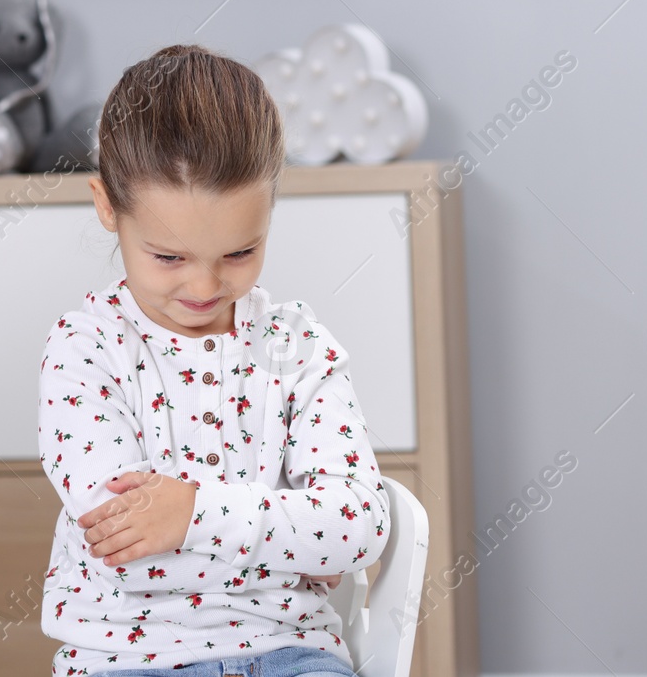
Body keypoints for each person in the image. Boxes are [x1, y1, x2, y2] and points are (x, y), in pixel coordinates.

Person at [38, 44, 390, 677]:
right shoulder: (85, 347)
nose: (203, 287)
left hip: (293, 655)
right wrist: (291, 537)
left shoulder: (297, 345)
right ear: (106, 206)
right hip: (123, 660)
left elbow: (357, 526)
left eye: (239, 253)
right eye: (168, 257)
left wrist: (189, 513)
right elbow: (121, 537)